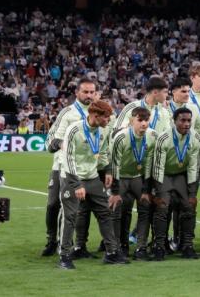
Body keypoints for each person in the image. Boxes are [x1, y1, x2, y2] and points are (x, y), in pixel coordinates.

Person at [57, 100, 123, 270]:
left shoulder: (101, 131)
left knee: (105, 213)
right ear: (95, 115)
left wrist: (107, 170)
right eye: (106, 118)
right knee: (70, 217)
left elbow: (101, 152)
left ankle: (111, 253)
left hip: (93, 178)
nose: (108, 121)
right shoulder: (74, 130)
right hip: (72, 179)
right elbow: (67, 158)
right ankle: (64, 255)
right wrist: (76, 184)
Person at [43, 78, 97, 258]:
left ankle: (80, 245)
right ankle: (52, 240)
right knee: (53, 204)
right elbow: (51, 141)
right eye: (86, 92)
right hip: (63, 166)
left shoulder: (99, 113)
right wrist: (64, 144)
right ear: (77, 93)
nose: (89, 96)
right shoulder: (67, 113)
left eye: (92, 92)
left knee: (84, 208)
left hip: (88, 168)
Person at [149, 106, 200, 261]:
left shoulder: (196, 138)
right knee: (162, 207)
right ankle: (159, 246)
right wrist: (158, 192)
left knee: (189, 207)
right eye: (182, 120)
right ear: (174, 121)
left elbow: (193, 168)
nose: (186, 124)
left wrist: (192, 194)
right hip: (164, 175)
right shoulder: (164, 138)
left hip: (181, 177)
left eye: (189, 120)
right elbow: (158, 167)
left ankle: (187, 246)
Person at [108, 106, 155, 260]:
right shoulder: (121, 137)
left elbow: (148, 164)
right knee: (117, 211)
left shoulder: (152, 136)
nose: (143, 124)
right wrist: (114, 192)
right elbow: (114, 164)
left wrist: (146, 189)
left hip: (137, 177)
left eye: (146, 120)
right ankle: (117, 248)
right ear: (131, 121)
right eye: (140, 120)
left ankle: (141, 248)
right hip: (120, 177)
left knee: (145, 210)